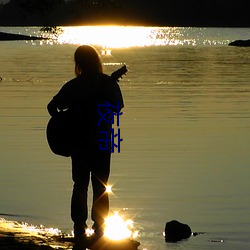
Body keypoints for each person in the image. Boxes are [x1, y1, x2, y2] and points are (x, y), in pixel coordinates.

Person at [47, 45, 124, 244]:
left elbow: (51, 106)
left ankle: (79, 227)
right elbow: (117, 109)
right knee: (101, 187)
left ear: (79, 63)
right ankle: (100, 229)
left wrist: (64, 121)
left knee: (79, 184)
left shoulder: (74, 85)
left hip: (78, 141)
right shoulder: (107, 83)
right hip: (102, 141)